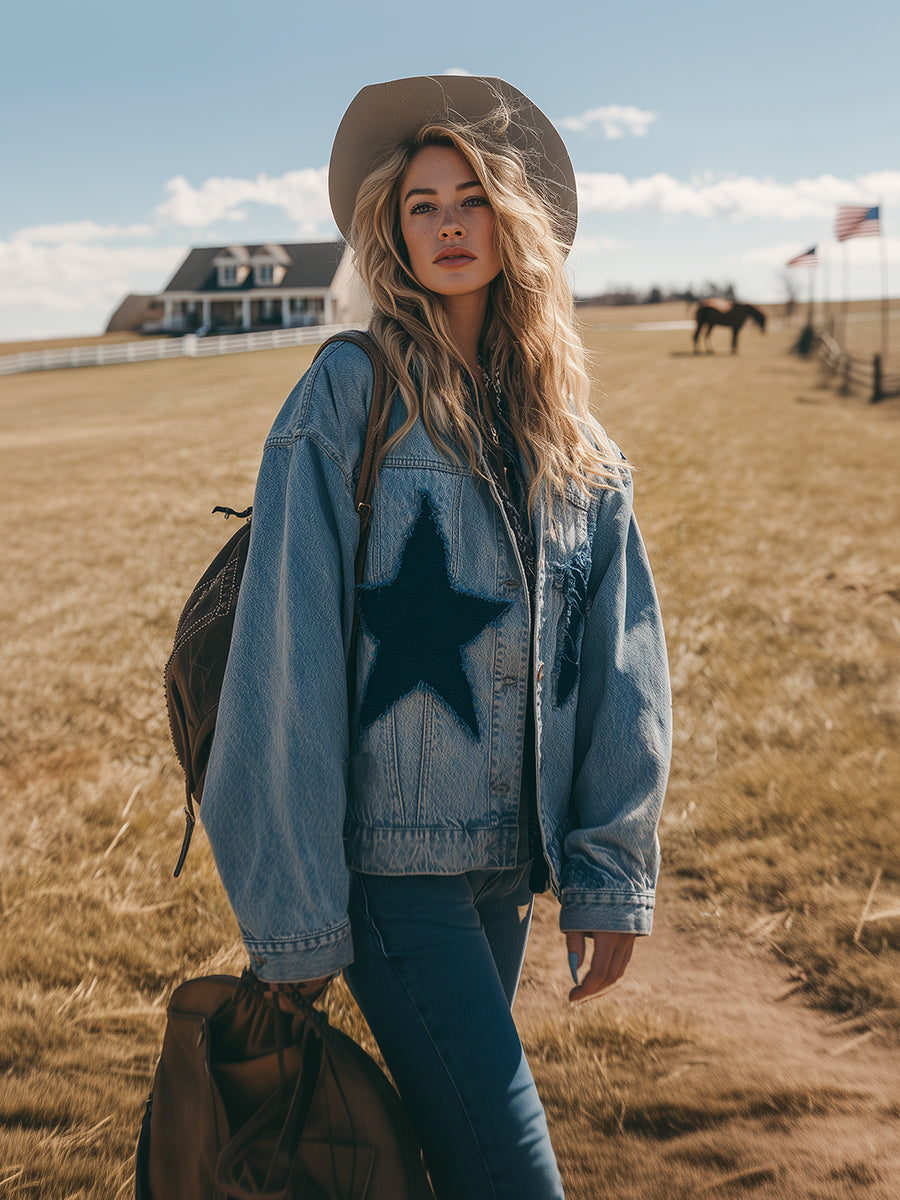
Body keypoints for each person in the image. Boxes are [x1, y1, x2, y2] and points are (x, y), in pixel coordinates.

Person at [200, 75, 671, 1200]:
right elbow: (286, 661)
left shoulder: (574, 438)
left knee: (450, 1158)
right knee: (513, 1177)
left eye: (471, 199)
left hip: (507, 877)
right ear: (391, 232)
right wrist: (300, 919)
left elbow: (623, 665)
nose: (450, 224)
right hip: (391, 875)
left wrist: (608, 878)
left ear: (513, 224)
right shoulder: (348, 394)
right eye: (422, 204)